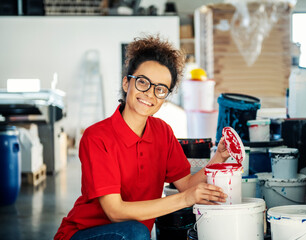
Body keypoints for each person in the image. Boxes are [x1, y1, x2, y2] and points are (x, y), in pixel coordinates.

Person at [54, 35, 230, 240]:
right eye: (143, 82)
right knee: (136, 232)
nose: (150, 94)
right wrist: (185, 199)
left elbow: (188, 186)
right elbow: (115, 211)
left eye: (160, 89)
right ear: (127, 83)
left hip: (131, 235)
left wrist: (218, 158)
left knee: (137, 232)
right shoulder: (97, 137)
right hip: (82, 234)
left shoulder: (163, 132)